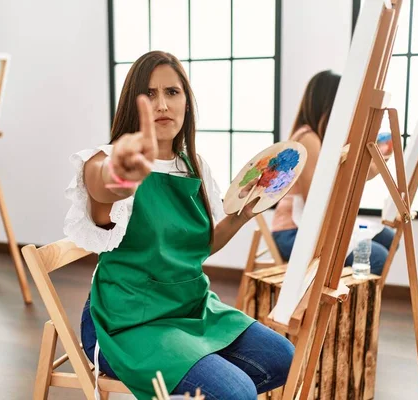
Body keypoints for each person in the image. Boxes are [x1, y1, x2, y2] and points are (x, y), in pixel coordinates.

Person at [64, 51, 294, 400]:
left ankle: (191, 381)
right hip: (128, 322)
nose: (162, 105)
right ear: (132, 104)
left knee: (283, 359)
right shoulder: (107, 159)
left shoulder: (193, 165)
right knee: (237, 393)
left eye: (172, 92)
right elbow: (100, 189)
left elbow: (198, 245)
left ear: (187, 101)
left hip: (190, 308)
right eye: (150, 94)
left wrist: (239, 217)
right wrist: (118, 177)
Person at [271, 70, 395, 275]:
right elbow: (315, 199)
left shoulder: (322, 138)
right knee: (377, 256)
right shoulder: (307, 138)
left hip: (309, 228)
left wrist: (379, 151)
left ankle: (348, 304)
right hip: (292, 232)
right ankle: (345, 306)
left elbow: (363, 174)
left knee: (388, 237)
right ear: (327, 104)